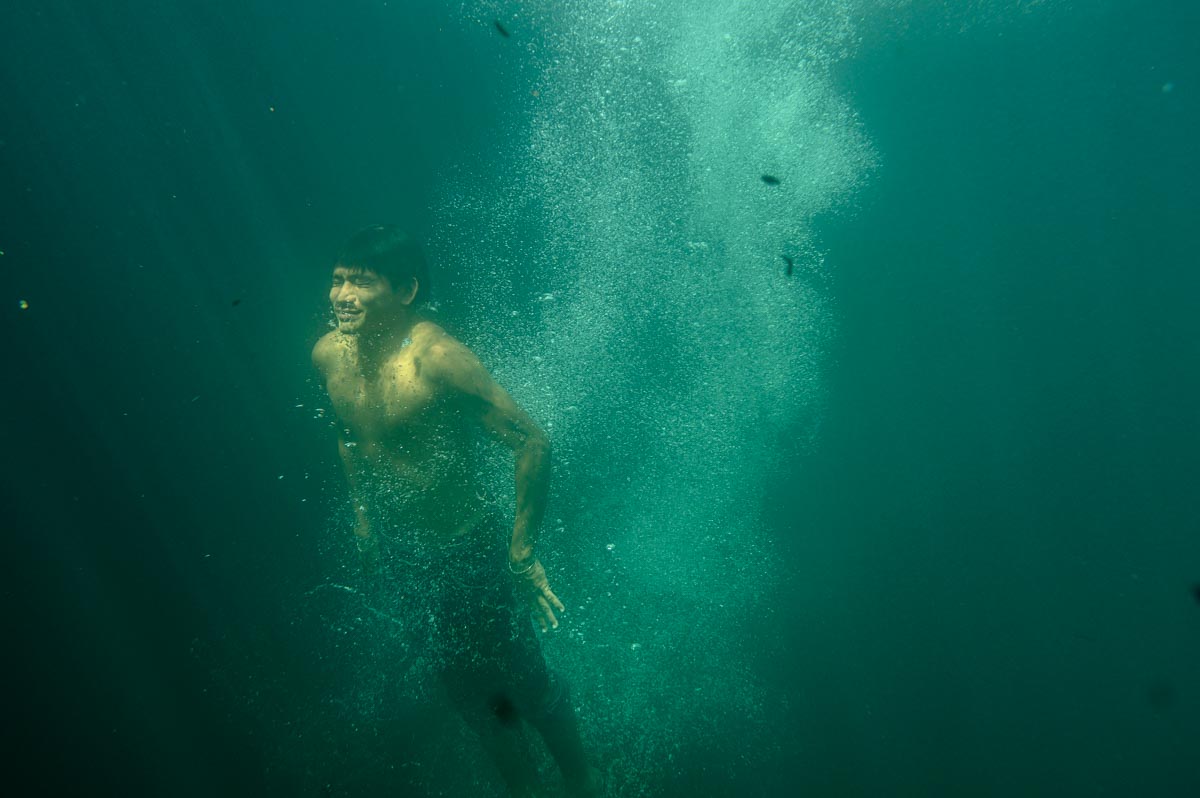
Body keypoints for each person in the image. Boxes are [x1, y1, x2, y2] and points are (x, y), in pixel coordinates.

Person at [311, 225, 601, 797]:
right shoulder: (327, 356)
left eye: (361, 282)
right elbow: (348, 434)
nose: (341, 295)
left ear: (406, 290)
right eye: (338, 280)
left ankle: (582, 780)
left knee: (528, 682)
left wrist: (522, 553)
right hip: (409, 560)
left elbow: (532, 442)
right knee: (472, 699)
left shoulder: (438, 360)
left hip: (469, 550)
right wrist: (363, 516)